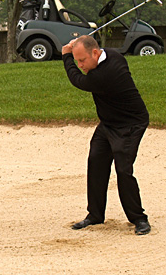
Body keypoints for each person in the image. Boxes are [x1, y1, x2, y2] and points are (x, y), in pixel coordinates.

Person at [62, 35, 151, 235]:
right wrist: (75, 49)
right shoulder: (112, 54)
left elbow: (78, 81)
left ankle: (139, 219)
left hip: (130, 124)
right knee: (96, 161)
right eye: (77, 61)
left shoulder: (104, 74)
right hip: (108, 123)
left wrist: (66, 56)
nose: (80, 65)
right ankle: (95, 215)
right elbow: (84, 69)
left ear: (95, 53)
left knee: (123, 169)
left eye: (82, 60)